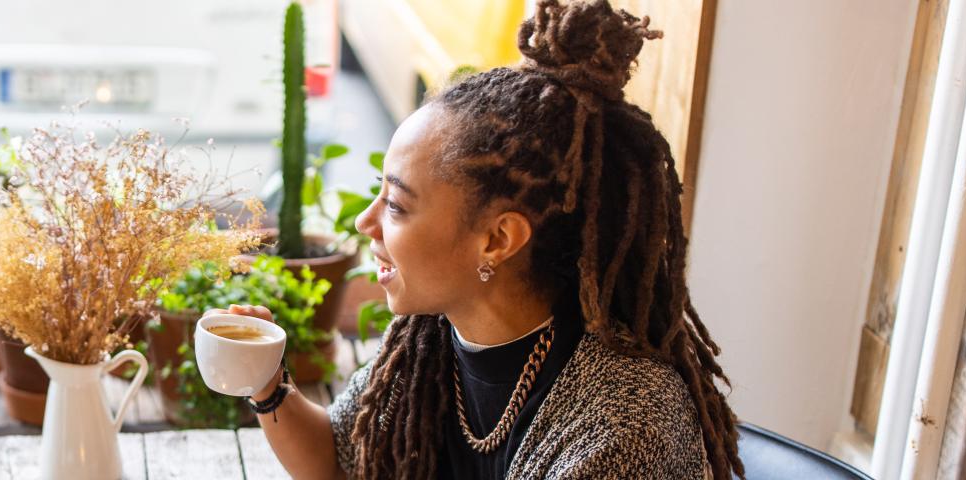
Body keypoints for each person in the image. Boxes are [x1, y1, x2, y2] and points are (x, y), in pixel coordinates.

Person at [224, 1, 740, 478]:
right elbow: (337, 462)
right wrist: (266, 382)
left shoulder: (623, 425)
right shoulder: (430, 338)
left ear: (497, 240)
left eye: (398, 206)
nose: (366, 221)